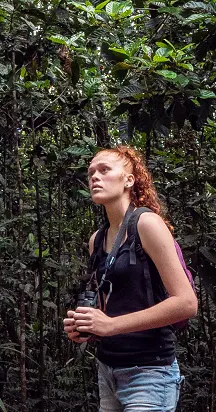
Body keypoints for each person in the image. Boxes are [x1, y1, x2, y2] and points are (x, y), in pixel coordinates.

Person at [62, 145, 197, 411]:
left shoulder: (147, 224)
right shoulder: (97, 240)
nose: (95, 178)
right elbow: (107, 309)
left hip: (149, 370)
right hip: (108, 367)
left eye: (104, 170)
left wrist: (110, 325)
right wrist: (85, 327)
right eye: (91, 173)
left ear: (129, 180)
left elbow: (186, 303)